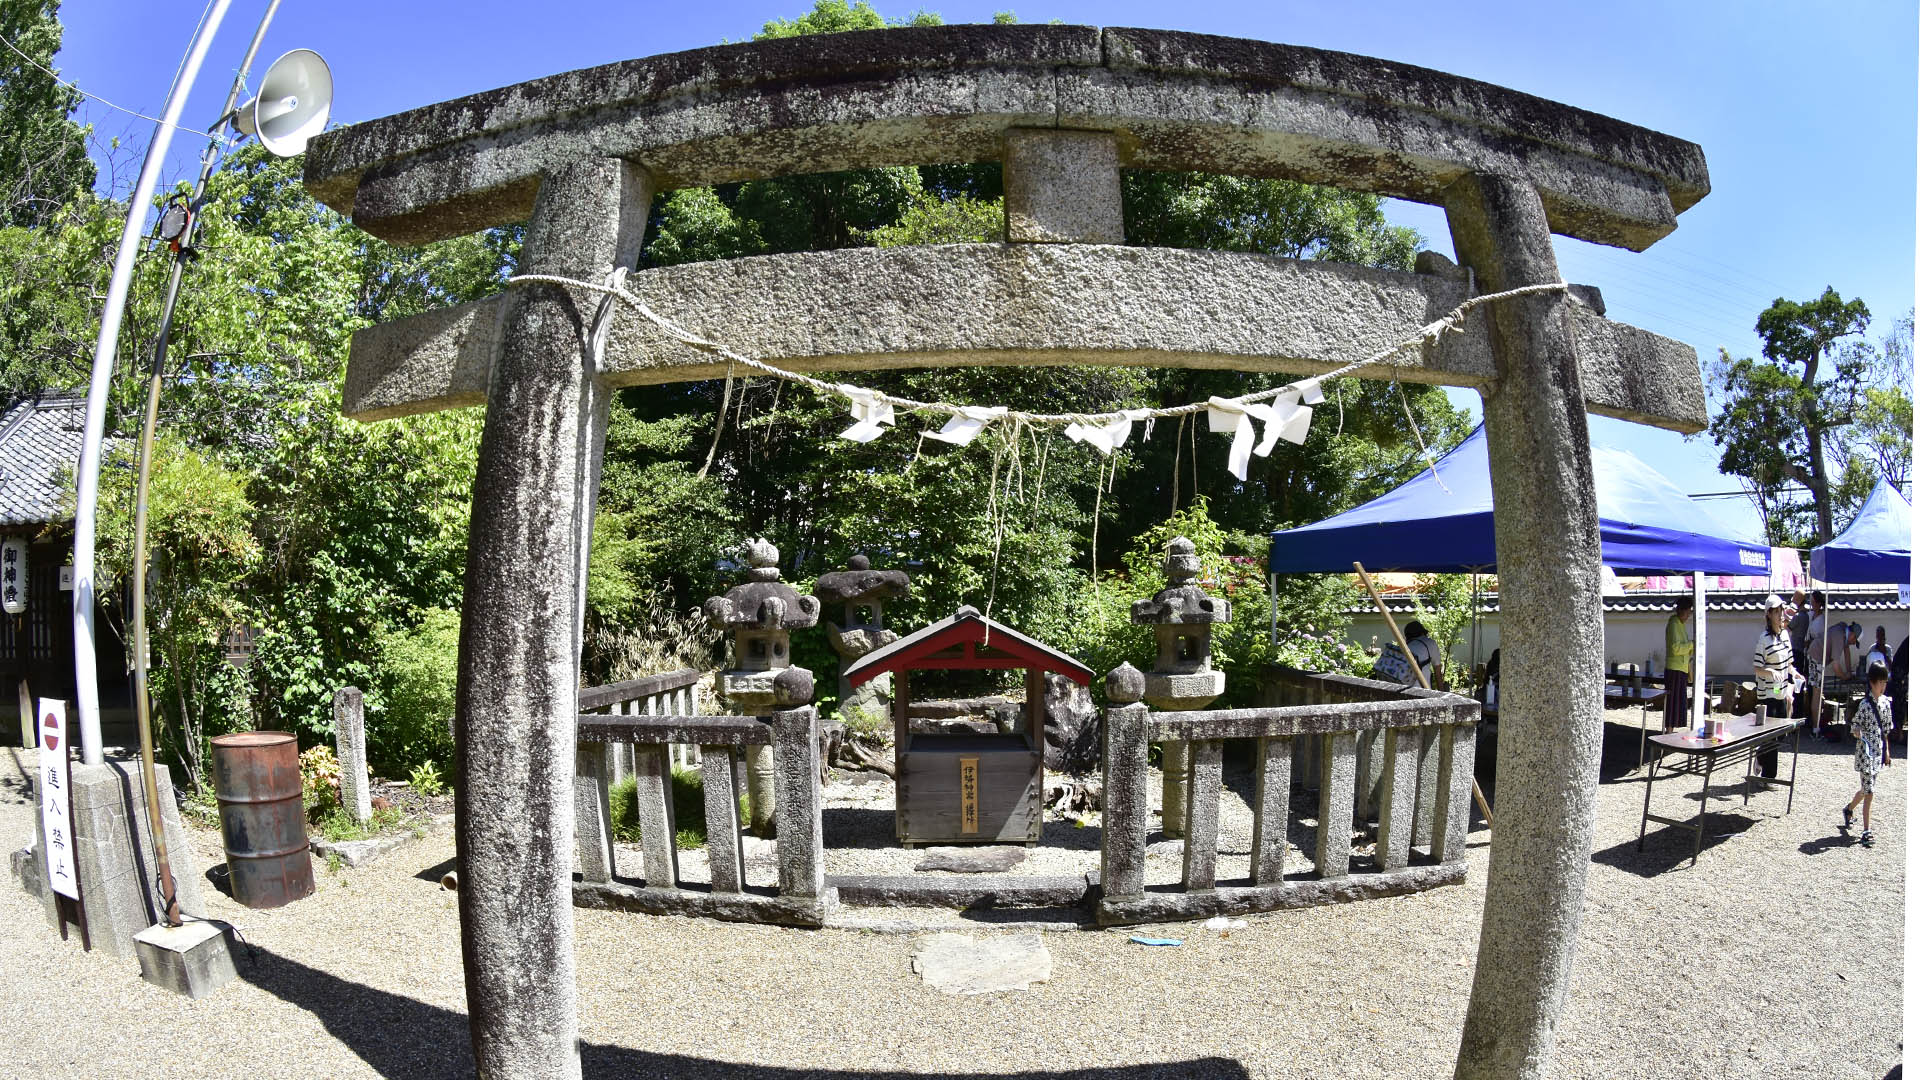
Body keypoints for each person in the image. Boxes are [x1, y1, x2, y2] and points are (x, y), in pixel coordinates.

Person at [1842, 662, 1894, 848]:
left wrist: (1887, 751)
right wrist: (1856, 732)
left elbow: (1886, 730)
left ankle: (1849, 809)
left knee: (1865, 790)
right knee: (1870, 791)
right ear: (1872, 682)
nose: (1883, 686)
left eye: (1885, 682)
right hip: (1865, 753)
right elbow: (1854, 724)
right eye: (1880, 682)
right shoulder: (1864, 705)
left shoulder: (1886, 704)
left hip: (1878, 753)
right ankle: (1866, 831)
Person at [1751, 594, 1803, 776]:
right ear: (1769, 615)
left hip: (1779, 689)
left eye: (1781, 610)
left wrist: (1794, 673)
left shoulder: (1785, 636)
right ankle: (1769, 775)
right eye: (1777, 611)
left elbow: (1789, 663)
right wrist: (1770, 671)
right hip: (1767, 692)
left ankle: (1759, 756)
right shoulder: (1763, 639)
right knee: (1771, 734)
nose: (1781, 614)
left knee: (1780, 733)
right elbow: (1757, 667)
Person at [1662, 596, 1693, 731]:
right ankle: (1668, 730)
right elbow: (1676, 648)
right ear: (1680, 610)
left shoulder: (1680, 625)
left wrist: (1691, 646)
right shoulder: (1674, 624)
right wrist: (1692, 644)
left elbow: (1683, 647)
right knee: (1673, 701)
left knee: (1678, 701)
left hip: (1681, 668)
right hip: (1675, 668)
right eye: (1687, 612)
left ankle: (1671, 730)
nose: (1688, 615)